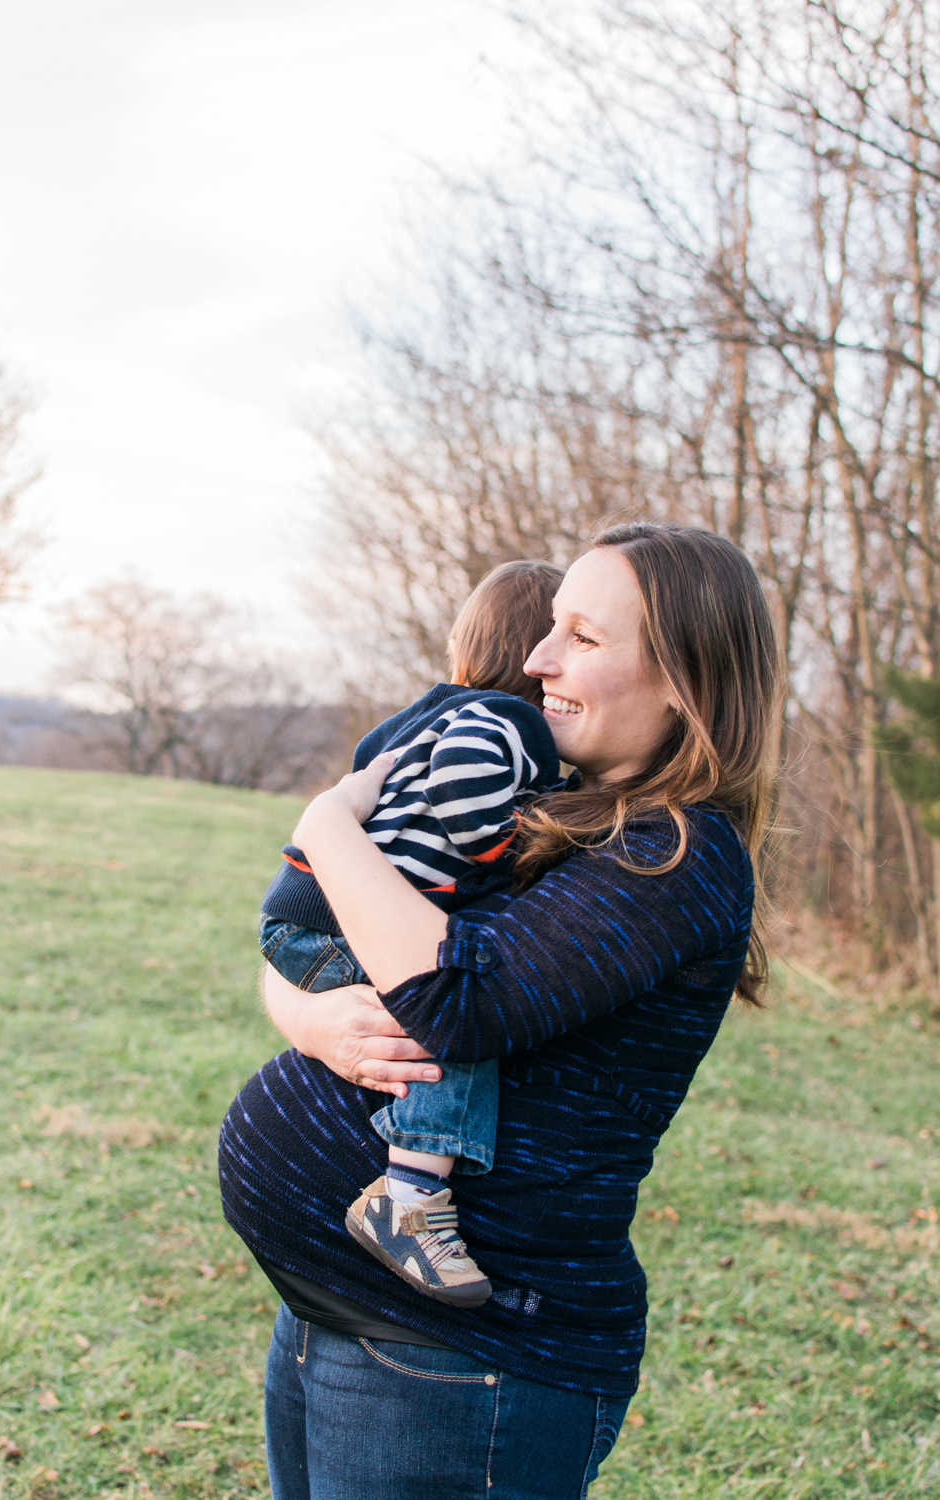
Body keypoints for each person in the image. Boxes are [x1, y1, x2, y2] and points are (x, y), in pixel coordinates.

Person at [219, 522, 781, 1500]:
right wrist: (304, 1019)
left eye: (584, 637)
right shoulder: (559, 805)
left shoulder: (675, 853)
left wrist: (323, 822)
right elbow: (341, 944)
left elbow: (454, 1000)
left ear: (686, 681)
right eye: (549, 625)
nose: (537, 657)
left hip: (461, 1356)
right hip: (342, 1315)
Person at [257, 560, 564, 1307]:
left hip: (304, 908)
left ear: (464, 647)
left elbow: (372, 777)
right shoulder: (505, 721)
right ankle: (410, 1195)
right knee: (444, 1021)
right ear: (538, 664)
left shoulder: (428, 713)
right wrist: (512, 841)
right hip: (345, 916)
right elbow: (463, 787)